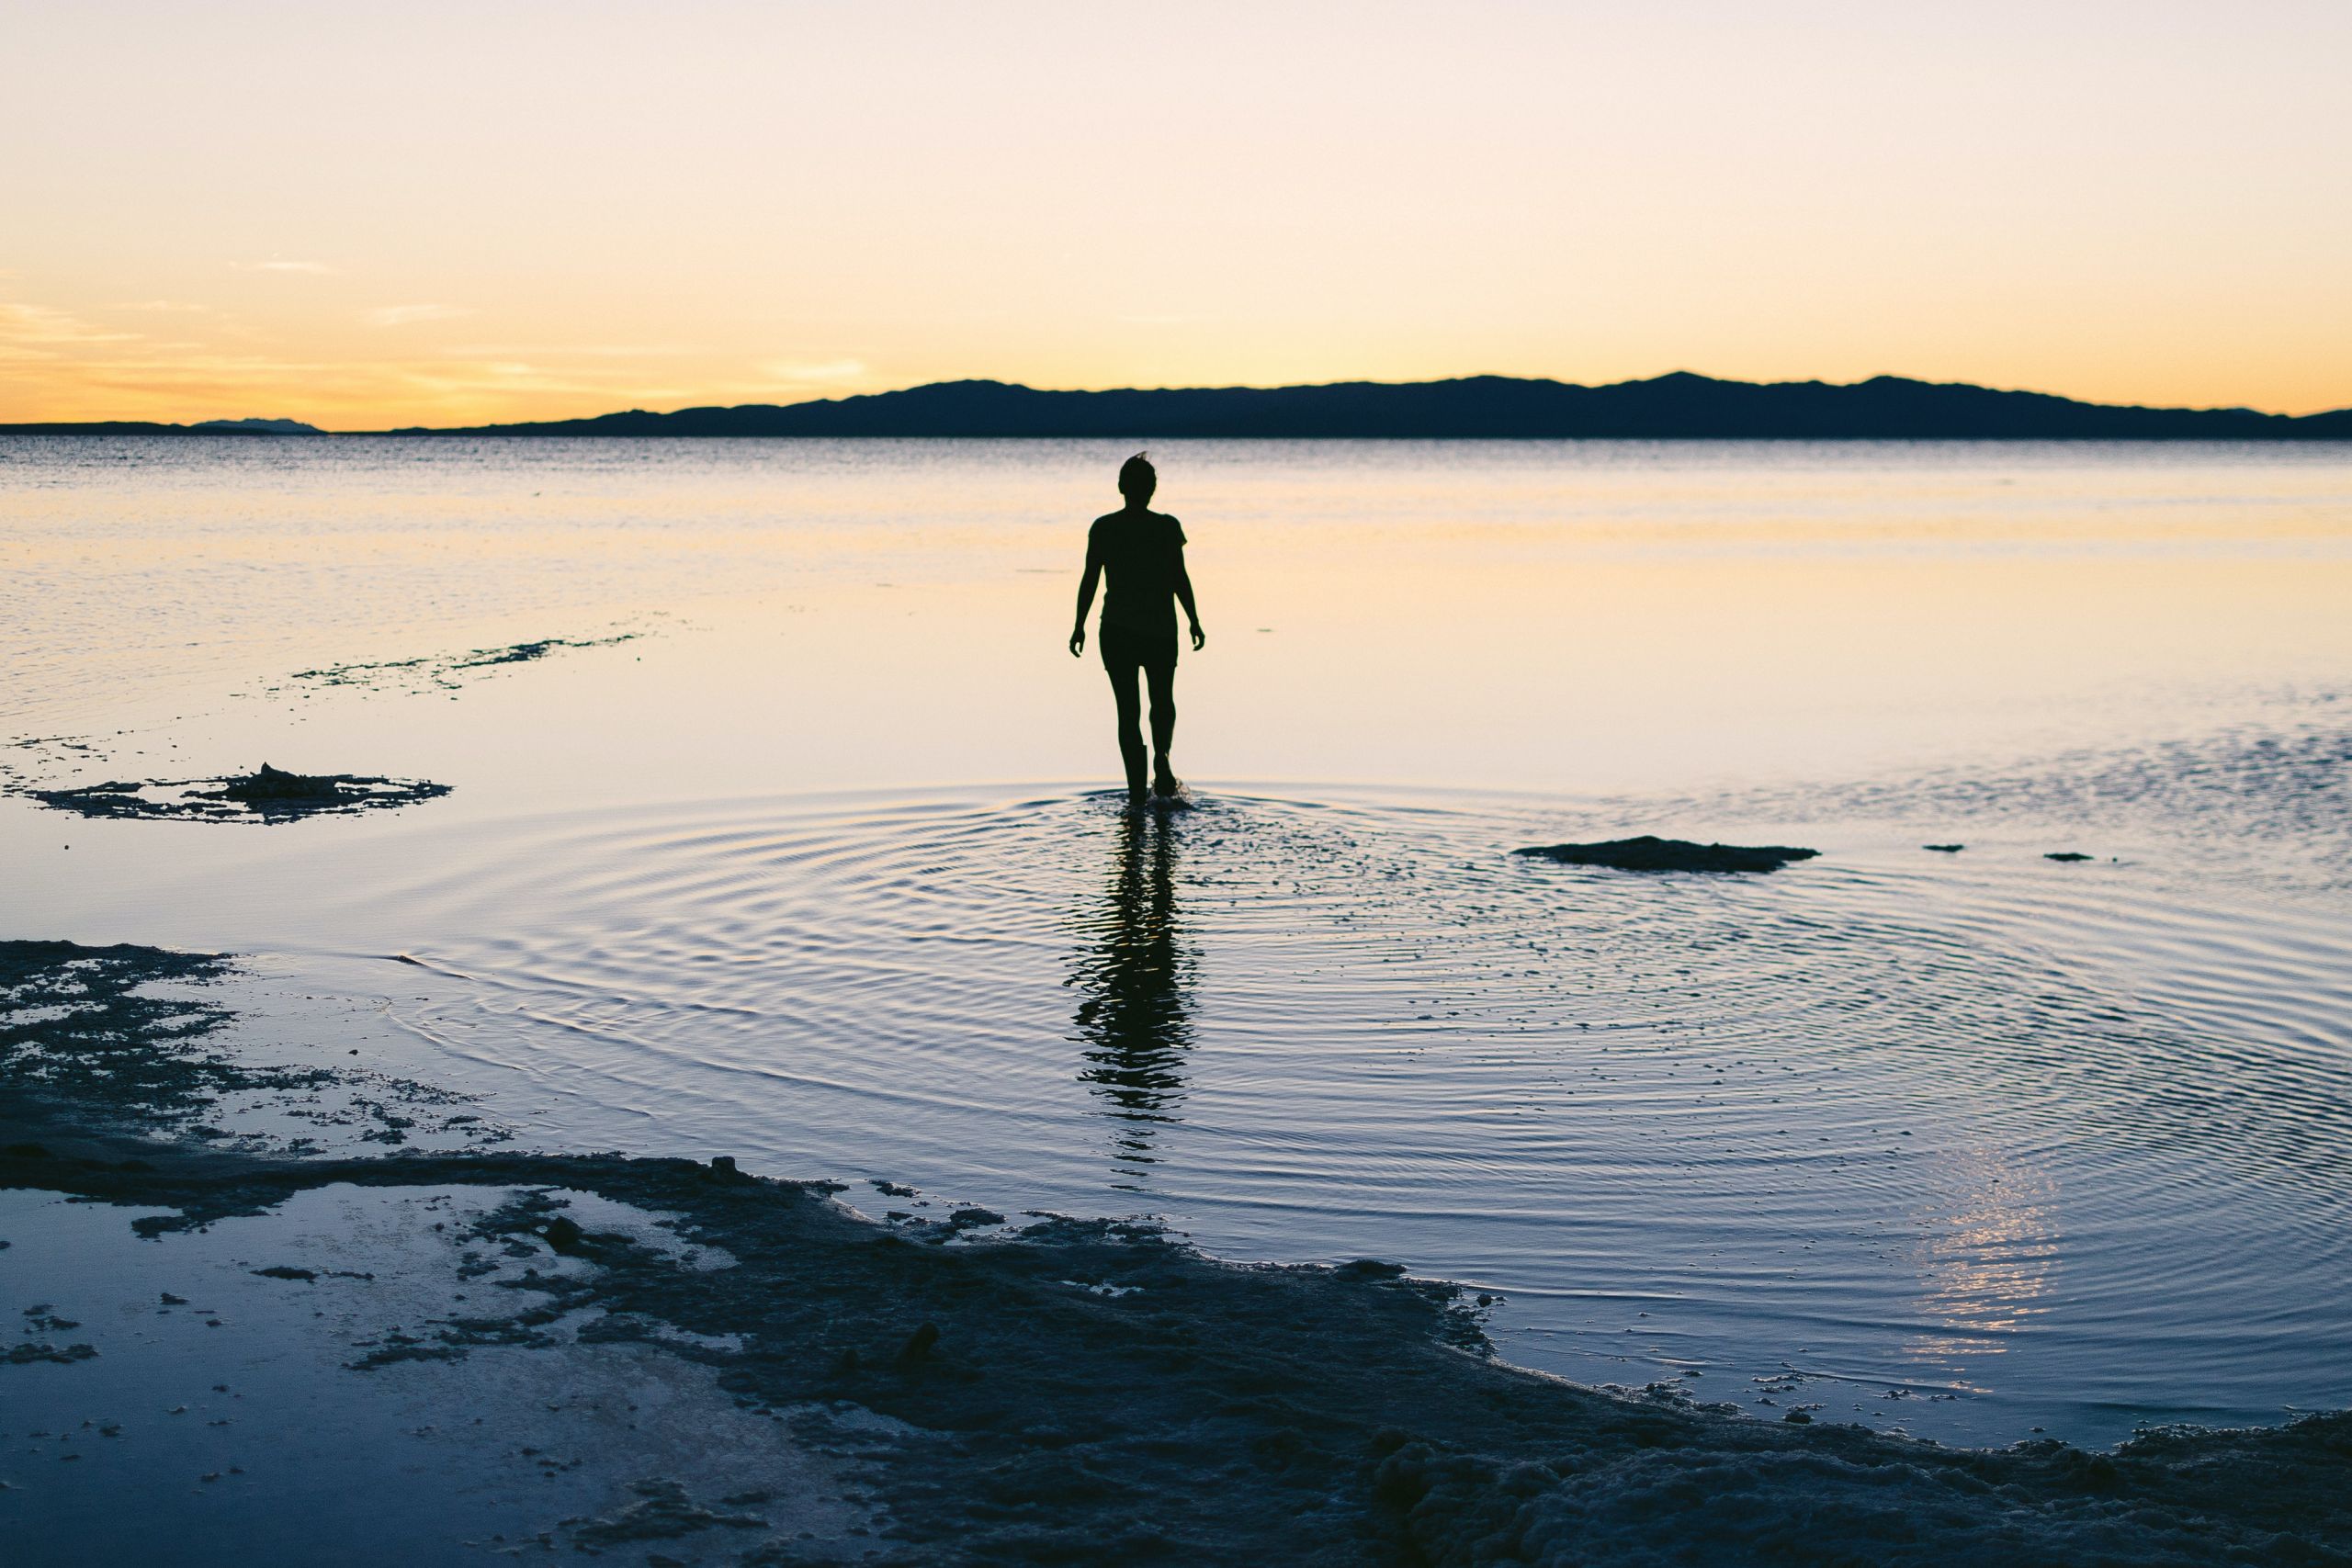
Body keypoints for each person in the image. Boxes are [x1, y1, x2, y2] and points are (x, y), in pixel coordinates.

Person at [1069, 453, 1204, 803]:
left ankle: (1135, 795)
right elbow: (1179, 578)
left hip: (1116, 630)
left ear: (1120, 488)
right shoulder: (1166, 527)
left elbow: (1090, 580)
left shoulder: (1104, 528)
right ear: (1152, 490)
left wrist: (1079, 625)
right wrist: (1194, 620)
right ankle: (1161, 757)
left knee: (1127, 711)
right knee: (1162, 700)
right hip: (1160, 629)